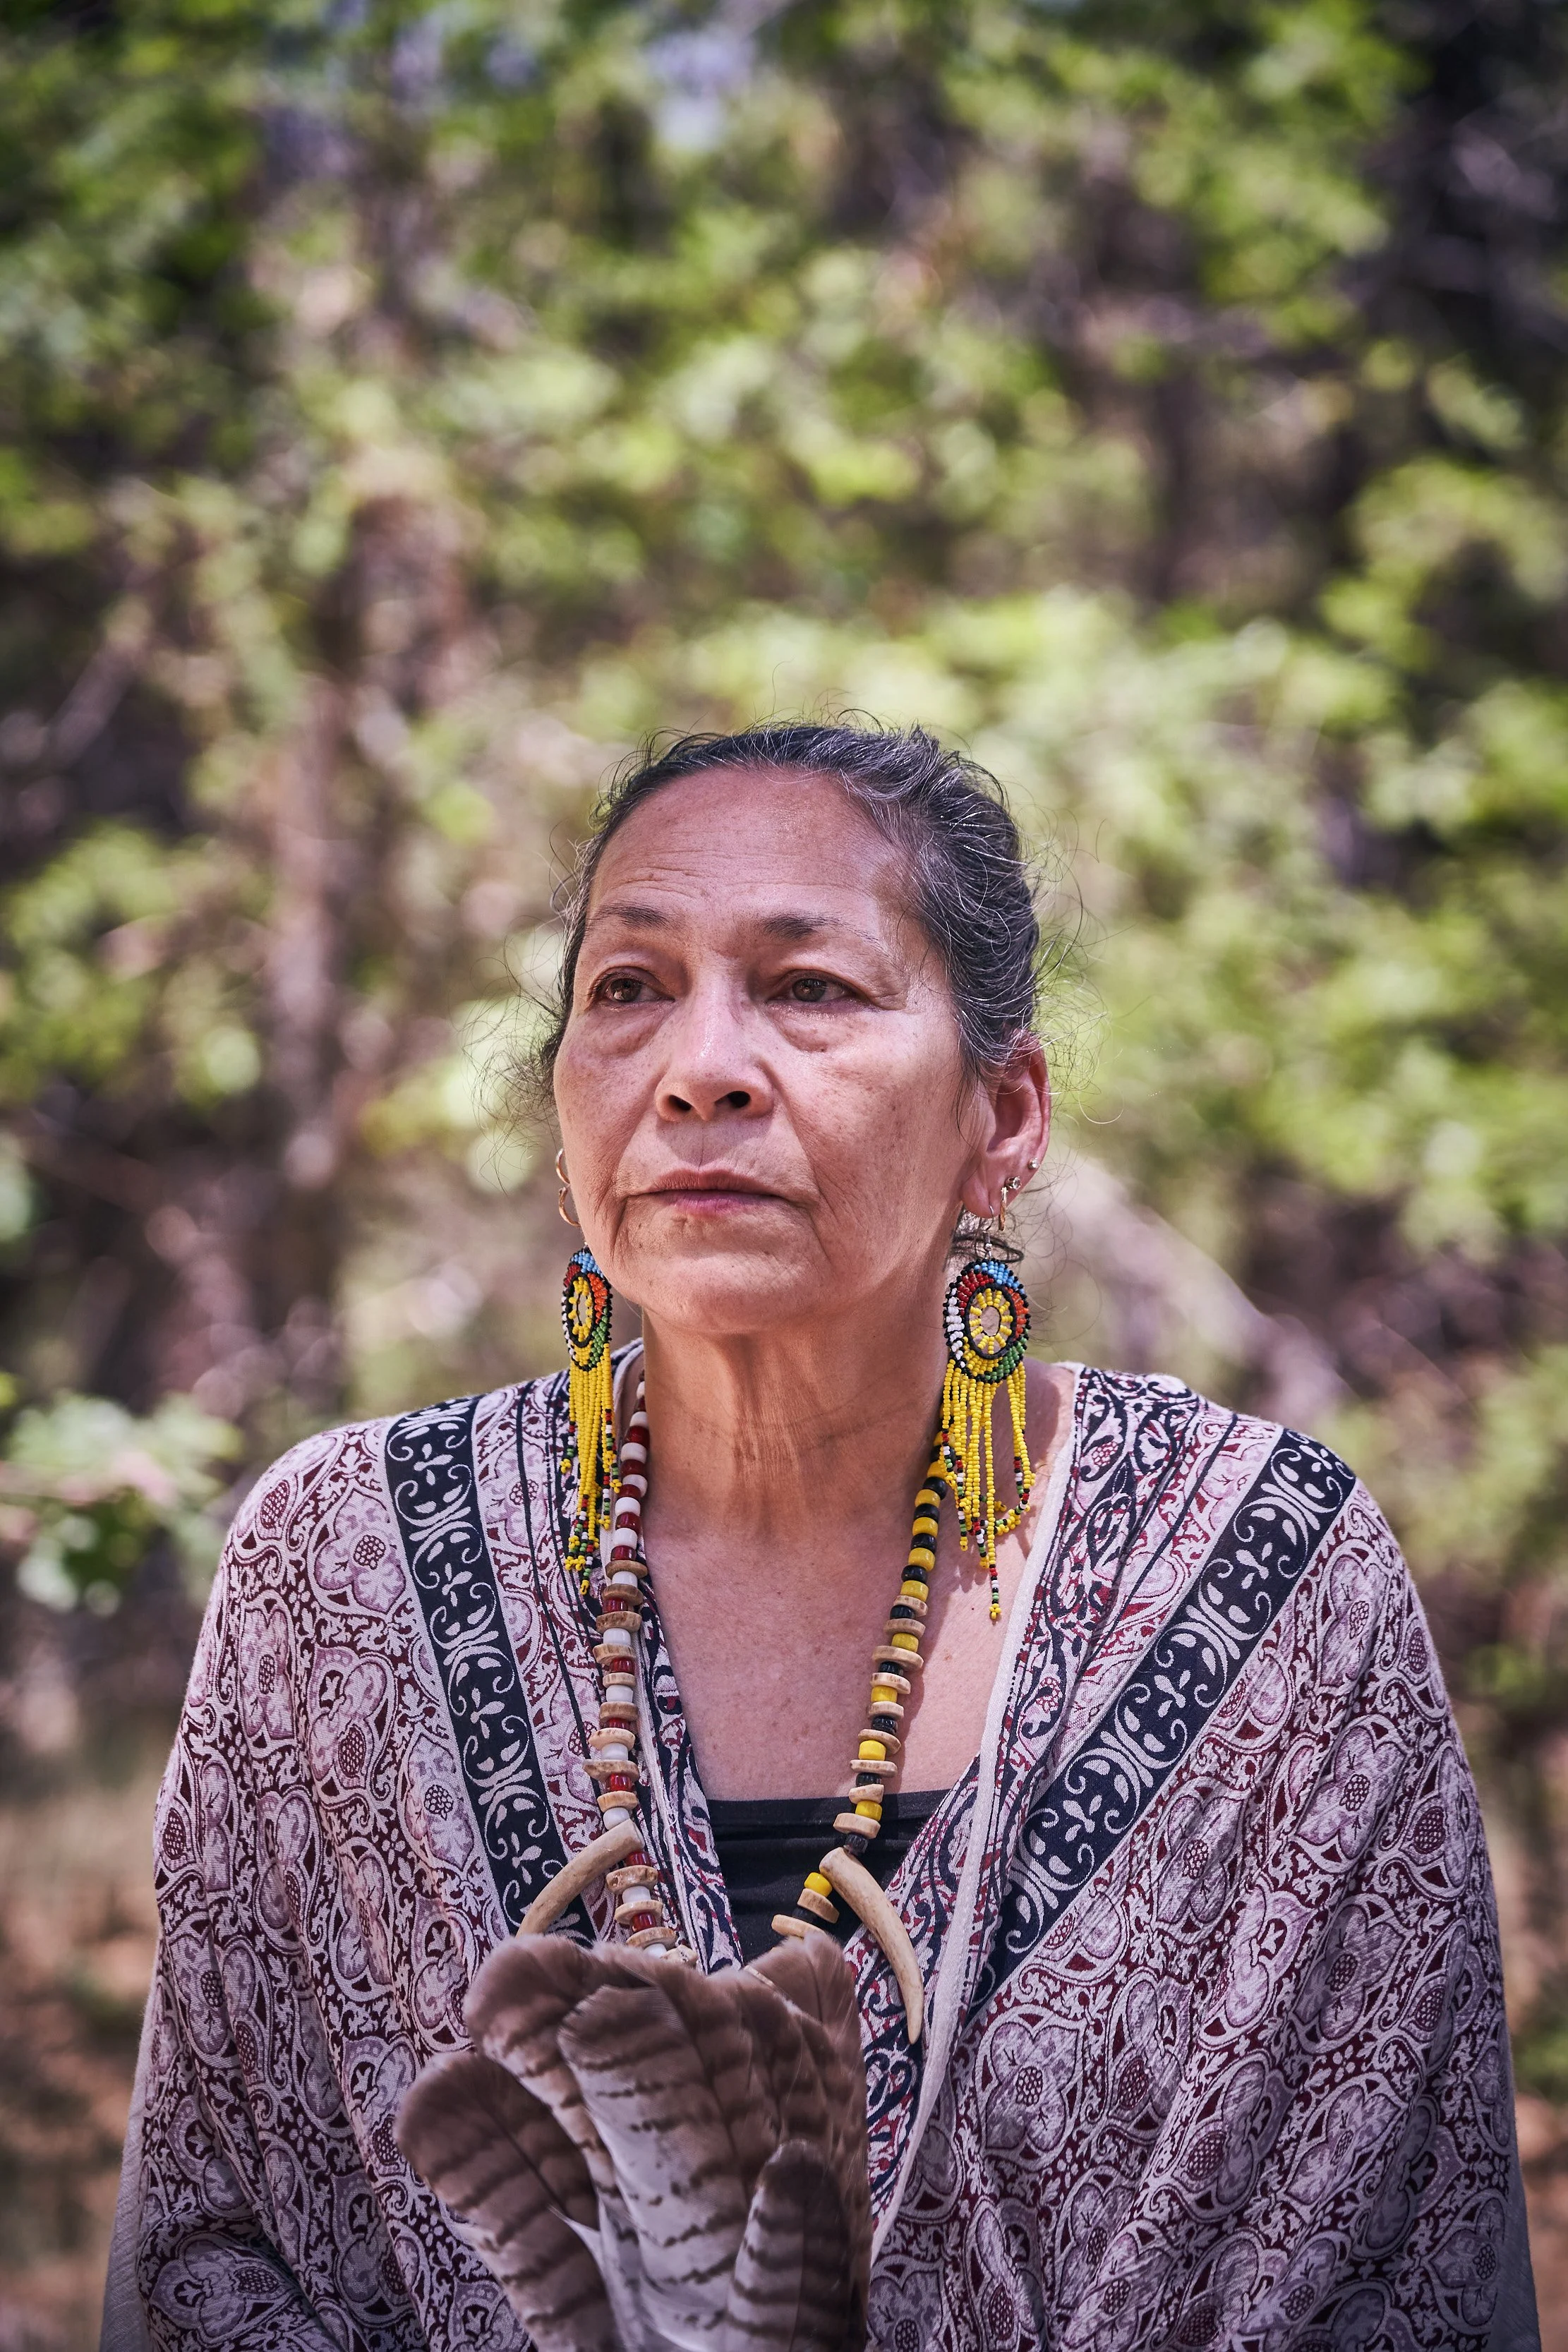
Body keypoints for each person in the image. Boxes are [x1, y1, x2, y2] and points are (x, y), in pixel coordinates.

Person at [103, 723, 1538, 2351]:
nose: (699, 1066)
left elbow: (1389, 2264)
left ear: (1005, 1114)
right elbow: (220, 2254)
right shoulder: (344, 1563)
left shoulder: (1264, 1571)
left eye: (810, 988)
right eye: (629, 987)